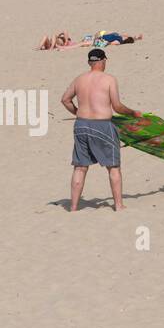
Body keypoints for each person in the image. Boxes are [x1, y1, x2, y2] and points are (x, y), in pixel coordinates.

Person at [61, 48, 141, 212]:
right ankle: (118, 205)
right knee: (113, 166)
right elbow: (117, 106)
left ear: (90, 62)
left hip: (81, 124)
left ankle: (74, 207)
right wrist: (133, 113)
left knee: (80, 167)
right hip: (102, 125)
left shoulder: (79, 79)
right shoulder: (109, 79)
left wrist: (78, 112)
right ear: (103, 61)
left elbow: (65, 100)